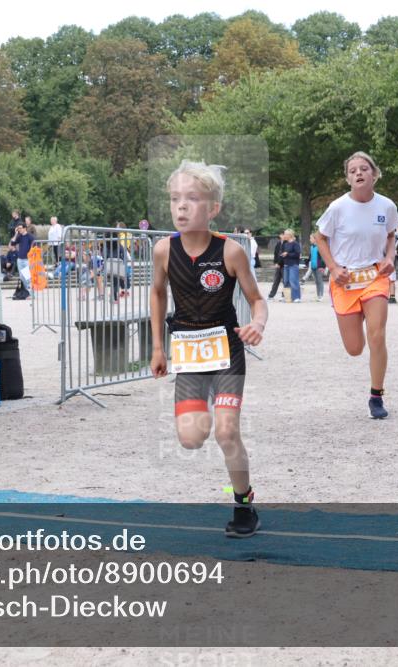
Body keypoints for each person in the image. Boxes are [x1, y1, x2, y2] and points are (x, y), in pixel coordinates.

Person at [149, 160, 268, 538]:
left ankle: (243, 504)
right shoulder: (163, 251)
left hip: (226, 349)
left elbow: (257, 299)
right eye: (175, 199)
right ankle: (240, 491)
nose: (181, 207)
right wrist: (157, 348)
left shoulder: (230, 252)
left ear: (213, 208)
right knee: (191, 438)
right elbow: (156, 293)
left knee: (226, 433)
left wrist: (257, 324)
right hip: (187, 352)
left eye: (192, 199)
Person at [313, 151, 398, 419]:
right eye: (352, 171)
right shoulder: (337, 207)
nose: (358, 173)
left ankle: (376, 396)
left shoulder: (386, 206)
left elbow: (392, 235)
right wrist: (334, 268)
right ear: (348, 178)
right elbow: (320, 238)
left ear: (374, 174)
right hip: (345, 280)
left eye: (364, 168)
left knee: (377, 335)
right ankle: (355, 327)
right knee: (355, 348)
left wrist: (389, 257)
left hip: (374, 277)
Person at [280, 229, 302, 302]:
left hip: (293, 265)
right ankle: (288, 297)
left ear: (290, 235)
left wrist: (287, 254)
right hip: (286, 265)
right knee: (286, 281)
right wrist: (283, 255)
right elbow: (283, 251)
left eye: (285, 234)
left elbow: (297, 254)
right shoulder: (285, 244)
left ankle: (296, 297)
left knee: (293, 281)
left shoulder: (295, 244)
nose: (284, 235)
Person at [268, 231, 286, 301]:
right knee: (276, 281)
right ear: (280, 235)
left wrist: (279, 263)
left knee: (285, 281)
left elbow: (283, 256)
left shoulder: (286, 243)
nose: (284, 236)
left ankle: (284, 295)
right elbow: (275, 254)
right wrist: (275, 263)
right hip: (278, 266)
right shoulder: (278, 244)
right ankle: (271, 296)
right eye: (282, 235)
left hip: (284, 265)